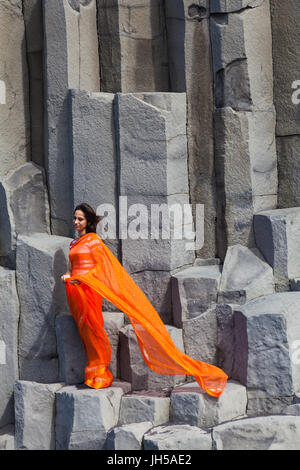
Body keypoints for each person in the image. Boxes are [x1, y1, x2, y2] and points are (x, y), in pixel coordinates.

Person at [61, 203, 228, 397]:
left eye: (80, 219)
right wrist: (67, 276)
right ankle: (92, 370)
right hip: (74, 292)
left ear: (88, 221)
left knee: (94, 330)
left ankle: (99, 373)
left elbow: (100, 269)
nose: (76, 222)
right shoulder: (74, 244)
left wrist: (81, 279)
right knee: (84, 332)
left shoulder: (94, 242)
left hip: (89, 290)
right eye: (74, 218)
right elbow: (70, 267)